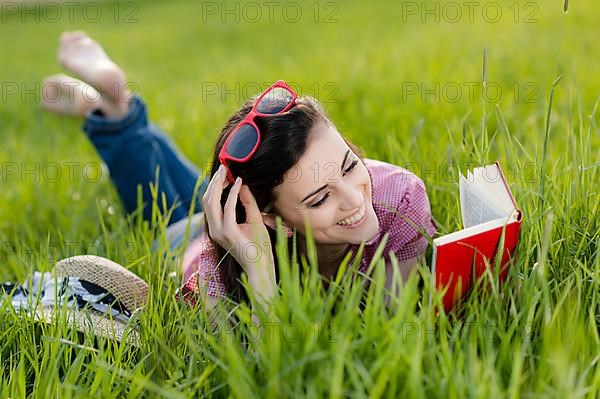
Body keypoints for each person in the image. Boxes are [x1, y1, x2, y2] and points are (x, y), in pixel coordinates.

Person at [40, 31, 437, 320]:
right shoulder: (212, 270)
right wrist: (258, 269)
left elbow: (390, 318)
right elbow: (263, 367)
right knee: (166, 205)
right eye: (319, 198)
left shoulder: (398, 199)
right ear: (267, 215)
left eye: (350, 165)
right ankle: (110, 107)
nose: (355, 199)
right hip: (190, 238)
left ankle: (110, 105)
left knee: (195, 186)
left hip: (245, 207)